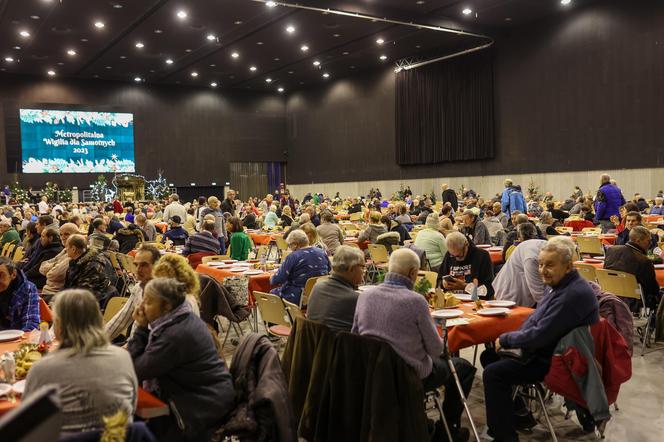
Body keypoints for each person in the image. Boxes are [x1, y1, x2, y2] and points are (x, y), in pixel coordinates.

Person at [482, 237, 599, 442]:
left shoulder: (571, 294)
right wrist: (512, 339)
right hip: (550, 350)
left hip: (557, 361)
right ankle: (518, 414)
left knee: (493, 372)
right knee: (489, 356)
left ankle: (504, 435)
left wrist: (507, 339)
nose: (542, 270)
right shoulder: (560, 285)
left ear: (568, 265)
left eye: (550, 265)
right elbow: (536, 322)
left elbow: (539, 335)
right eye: (541, 264)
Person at [352, 248, 475, 441]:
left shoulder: (365, 296)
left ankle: (423, 421)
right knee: (463, 368)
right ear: (412, 273)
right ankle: (447, 431)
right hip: (408, 374)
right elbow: (435, 349)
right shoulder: (415, 301)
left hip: (373, 372)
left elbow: (355, 336)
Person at [128, 278, 235, 441]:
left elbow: (136, 370)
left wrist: (141, 328)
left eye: (148, 302)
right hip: (201, 395)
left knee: (130, 423)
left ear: (167, 306)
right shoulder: (179, 320)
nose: (142, 306)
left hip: (200, 407)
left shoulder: (175, 335)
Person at [24, 289, 137, 435]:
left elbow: (29, 424)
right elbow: (132, 407)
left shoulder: (43, 368)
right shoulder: (123, 357)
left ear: (59, 325)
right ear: (98, 319)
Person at [105, 245, 160, 341]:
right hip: (134, 344)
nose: (138, 270)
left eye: (144, 265)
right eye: (136, 265)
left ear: (157, 266)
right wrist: (95, 342)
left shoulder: (165, 294)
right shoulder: (138, 288)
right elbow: (120, 320)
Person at [307, 246, 364, 332]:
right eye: (362, 267)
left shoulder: (317, 287)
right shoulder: (354, 299)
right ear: (351, 269)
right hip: (341, 344)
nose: (364, 271)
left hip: (315, 342)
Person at [605, 225, 660, 310]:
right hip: (635, 300)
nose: (650, 244)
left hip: (610, 295)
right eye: (648, 241)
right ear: (638, 241)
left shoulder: (611, 250)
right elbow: (653, 289)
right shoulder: (643, 260)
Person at [270, 229, 331, 305]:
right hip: (321, 293)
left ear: (295, 244)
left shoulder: (293, 257)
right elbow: (329, 270)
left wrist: (272, 277)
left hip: (300, 296)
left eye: (289, 245)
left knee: (272, 294)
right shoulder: (321, 252)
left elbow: (277, 280)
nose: (289, 248)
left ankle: (285, 316)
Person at [492, 232, 547, 307]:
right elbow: (539, 294)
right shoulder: (532, 258)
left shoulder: (546, 246)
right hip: (512, 295)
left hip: (521, 289)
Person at [438, 231, 494, 298]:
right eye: (453, 255)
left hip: (474, 302)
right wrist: (443, 284)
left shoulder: (482, 256)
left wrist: (465, 286)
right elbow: (439, 281)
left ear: (466, 244)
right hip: (452, 301)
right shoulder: (449, 255)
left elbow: (489, 291)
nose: (456, 258)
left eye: (459, 255)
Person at [64, 235, 114, 305]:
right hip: (75, 298)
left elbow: (84, 293)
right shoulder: (75, 261)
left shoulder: (92, 265)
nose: (65, 249)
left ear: (73, 249)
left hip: (86, 304)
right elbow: (67, 287)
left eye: (66, 246)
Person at [39, 223, 79, 298]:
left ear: (76, 234)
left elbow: (52, 275)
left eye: (66, 234)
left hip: (54, 294)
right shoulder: (65, 250)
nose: (63, 237)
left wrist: (53, 265)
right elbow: (42, 266)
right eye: (61, 234)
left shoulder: (74, 252)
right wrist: (55, 265)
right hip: (47, 291)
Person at [0, 257, 40, 331]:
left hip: (17, 337)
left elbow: (31, 322)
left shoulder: (27, 289)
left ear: (13, 274)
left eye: (1, 275)